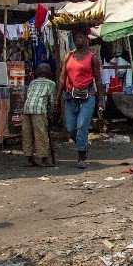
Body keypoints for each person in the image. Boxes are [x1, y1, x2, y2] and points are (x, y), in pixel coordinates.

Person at [59, 29, 104, 169]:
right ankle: (83, 144)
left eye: (80, 37)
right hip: (70, 96)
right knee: (70, 127)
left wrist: (101, 101)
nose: (77, 39)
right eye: (75, 37)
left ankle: (81, 157)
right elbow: (62, 78)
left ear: (86, 38)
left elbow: (98, 80)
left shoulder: (93, 58)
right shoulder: (69, 57)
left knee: (82, 126)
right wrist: (57, 97)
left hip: (87, 96)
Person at [22, 63, 57, 166]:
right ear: (49, 74)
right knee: (41, 134)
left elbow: (28, 95)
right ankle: (44, 160)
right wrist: (51, 116)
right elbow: (51, 101)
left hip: (27, 108)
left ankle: (29, 159)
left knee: (27, 134)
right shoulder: (51, 84)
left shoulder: (32, 82)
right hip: (39, 109)